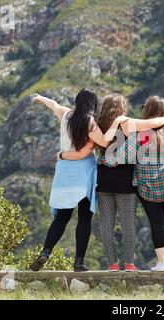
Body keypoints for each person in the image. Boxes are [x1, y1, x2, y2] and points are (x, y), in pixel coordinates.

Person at [60, 93, 164, 272]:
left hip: (103, 180)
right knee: (128, 225)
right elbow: (151, 123)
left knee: (107, 225)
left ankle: (112, 264)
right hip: (125, 181)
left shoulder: (97, 124)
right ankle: (128, 263)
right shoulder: (125, 123)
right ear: (121, 107)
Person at [29, 89, 127, 272]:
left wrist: (41, 98)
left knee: (62, 217)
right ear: (93, 104)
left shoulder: (66, 115)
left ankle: (45, 252)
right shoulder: (90, 123)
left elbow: (54, 105)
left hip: (64, 172)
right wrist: (117, 124)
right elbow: (105, 143)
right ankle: (78, 262)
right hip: (83, 173)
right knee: (84, 218)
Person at [134, 96, 164, 272]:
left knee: (156, 222)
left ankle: (161, 263)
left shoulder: (143, 134)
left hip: (148, 185)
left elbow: (135, 158)